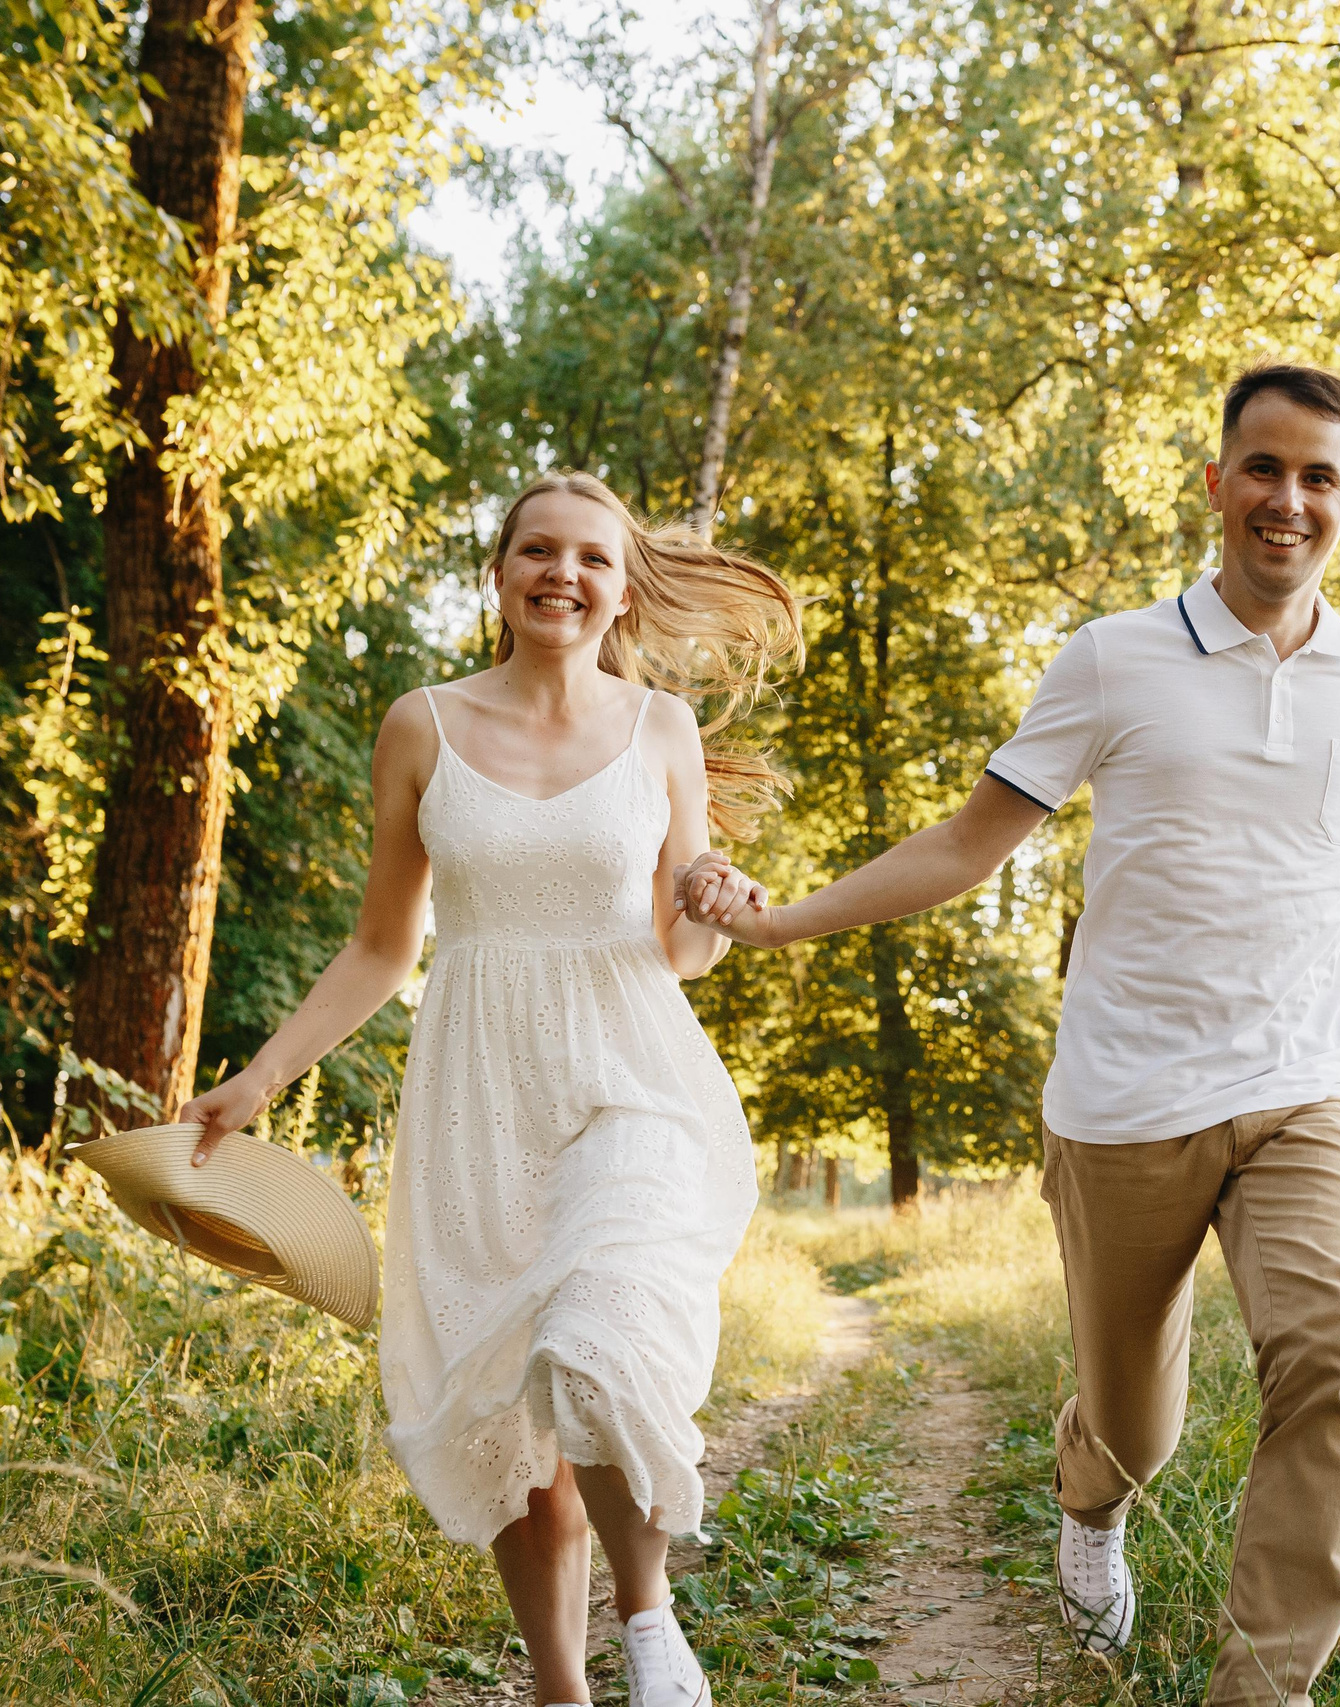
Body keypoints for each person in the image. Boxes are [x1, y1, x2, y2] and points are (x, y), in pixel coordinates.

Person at [685, 363, 1340, 1706]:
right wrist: (776, 923)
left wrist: (1305, 987)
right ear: (1216, 481)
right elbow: (970, 843)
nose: (1289, 499)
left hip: (1301, 1089)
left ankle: (1260, 1689)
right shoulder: (1116, 656)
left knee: (1337, 1358)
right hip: (1124, 1102)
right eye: (1264, 466)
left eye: (1321, 475)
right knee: (1139, 1426)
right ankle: (1091, 1500)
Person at [180, 472, 796, 1707]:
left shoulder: (661, 728)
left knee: (595, 1336)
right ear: (499, 570)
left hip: (633, 1074)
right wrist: (255, 1079)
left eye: (591, 559)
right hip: (480, 1094)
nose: (562, 575)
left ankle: (650, 1617)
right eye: (537, 552)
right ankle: (561, 1687)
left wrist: (713, 907)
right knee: (517, 1414)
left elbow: (681, 948)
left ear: (622, 590)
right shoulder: (422, 725)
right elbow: (380, 948)